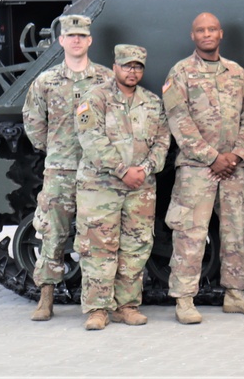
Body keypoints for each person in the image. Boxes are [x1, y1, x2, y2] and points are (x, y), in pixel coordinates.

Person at [162, 12, 244, 324]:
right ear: (193, 36)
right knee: (190, 233)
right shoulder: (180, 73)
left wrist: (235, 154)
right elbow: (179, 121)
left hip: (233, 169)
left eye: (211, 29)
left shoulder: (236, 72)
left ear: (220, 34)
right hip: (197, 170)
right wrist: (212, 157)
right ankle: (184, 299)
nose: (206, 34)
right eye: (200, 30)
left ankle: (235, 294)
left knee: (235, 231)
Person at [22, 14, 112, 321]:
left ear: (89, 41)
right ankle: (46, 297)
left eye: (81, 36)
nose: (75, 40)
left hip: (97, 172)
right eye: (70, 35)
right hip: (60, 170)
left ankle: (96, 304)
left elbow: (116, 121)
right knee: (52, 233)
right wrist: (56, 150)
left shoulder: (105, 79)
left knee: (95, 237)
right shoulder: (46, 81)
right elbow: (34, 123)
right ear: (61, 41)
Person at [74, 44, 170, 330]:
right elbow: (91, 138)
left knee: (136, 246)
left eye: (138, 66)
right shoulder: (94, 98)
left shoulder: (152, 102)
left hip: (140, 187)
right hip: (100, 186)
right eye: (127, 65)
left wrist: (146, 168)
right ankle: (97, 308)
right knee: (98, 246)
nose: (132, 71)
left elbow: (163, 140)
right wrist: (122, 170)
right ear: (115, 66)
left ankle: (127, 305)